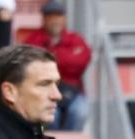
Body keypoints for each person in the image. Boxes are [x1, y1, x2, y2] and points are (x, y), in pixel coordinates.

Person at [25, 0, 91, 131]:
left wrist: (51, 55)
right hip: (44, 91)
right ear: (44, 19)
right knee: (51, 115)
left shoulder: (76, 38)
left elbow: (81, 62)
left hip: (73, 91)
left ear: (64, 18)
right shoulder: (33, 39)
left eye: (59, 16)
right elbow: (32, 67)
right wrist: (67, 58)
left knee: (80, 111)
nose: (55, 20)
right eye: (51, 16)